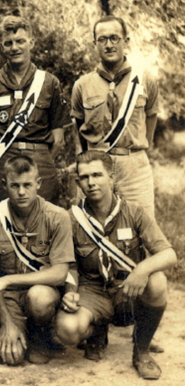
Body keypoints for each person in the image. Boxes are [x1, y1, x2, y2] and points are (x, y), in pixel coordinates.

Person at [54, 150, 176, 380]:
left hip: (127, 289)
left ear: (112, 178)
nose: (91, 182)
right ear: (79, 183)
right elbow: (68, 264)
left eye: (97, 175)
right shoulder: (71, 218)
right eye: (85, 177)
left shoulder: (133, 212)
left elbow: (169, 254)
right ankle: (96, 332)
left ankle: (142, 351)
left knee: (157, 281)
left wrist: (142, 269)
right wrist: (70, 292)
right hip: (92, 292)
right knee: (67, 329)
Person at [0, 155, 74, 365]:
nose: (21, 192)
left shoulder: (57, 216)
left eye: (27, 185)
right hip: (7, 300)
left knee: (39, 296)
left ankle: (40, 336)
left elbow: (59, 273)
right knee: (13, 357)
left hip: (41, 293)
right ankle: (5, 329)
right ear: (4, 185)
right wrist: (6, 321)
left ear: (38, 184)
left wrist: (8, 280)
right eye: (15, 185)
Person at [0, 16, 70, 210]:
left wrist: (42, 161)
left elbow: (58, 138)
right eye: (8, 43)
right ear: (2, 47)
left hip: (40, 159)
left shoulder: (49, 83)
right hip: (0, 161)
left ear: (31, 42)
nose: (14, 47)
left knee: (43, 220)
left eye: (20, 41)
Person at [71, 16, 158, 217]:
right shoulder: (82, 85)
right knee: (93, 229)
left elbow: (150, 123)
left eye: (114, 38)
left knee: (142, 227)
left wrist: (135, 153)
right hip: (96, 166)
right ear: (95, 44)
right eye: (102, 39)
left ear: (125, 41)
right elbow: (80, 132)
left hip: (134, 167)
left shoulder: (145, 80)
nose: (109, 45)